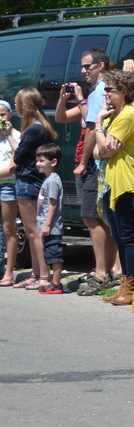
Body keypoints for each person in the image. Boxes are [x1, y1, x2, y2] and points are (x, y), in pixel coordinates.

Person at [56, 47, 118, 295]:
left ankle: (104, 271)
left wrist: (82, 163)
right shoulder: (96, 92)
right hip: (97, 160)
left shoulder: (102, 90)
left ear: (101, 66)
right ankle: (108, 269)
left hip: (96, 161)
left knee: (93, 217)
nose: (83, 71)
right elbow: (62, 118)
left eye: (87, 66)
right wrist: (64, 97)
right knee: (97, 217)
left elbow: (92, 128)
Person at [93, 70, 134, 306]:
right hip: (111, 182)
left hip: (125, 183)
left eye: (109, 89)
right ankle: (124, 284)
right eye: (105, 89)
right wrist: (102, 139)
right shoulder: (114, 116)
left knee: (127, 235)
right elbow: (99, 151)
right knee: (119, 236)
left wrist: (97, 125)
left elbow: (104, 150)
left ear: (123, 92)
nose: (105, 94)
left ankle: (131, 287)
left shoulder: (127, 116)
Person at [10, 88, 58, 289]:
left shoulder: (32, 130)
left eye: (17, 103)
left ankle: (43, 275)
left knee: (33, 231)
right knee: (32, 231)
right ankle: (36, 273)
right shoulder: (41, 126)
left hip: (28, 182)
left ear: (24, 105)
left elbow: (18, 158)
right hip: (33, 181)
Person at [34, 143, 65, 294]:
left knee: (54, 255)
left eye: (42, 161)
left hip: (52, 227)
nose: (38, 164)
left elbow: (53, 205)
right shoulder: (48, 180)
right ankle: (54, 281)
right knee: (49, 254)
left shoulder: (53, 181)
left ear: (53, 162)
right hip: (47, 226)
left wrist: (47, 225)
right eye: (37, 160)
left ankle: (56, 283)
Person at [0, 100, 22, 286]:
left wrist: (7, 134)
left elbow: (13, 166)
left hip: (8, 186)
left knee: (8, 228)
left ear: (10, 114)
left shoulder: (16, 136)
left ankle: (9, 272)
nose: (0, 118)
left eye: (2, 114)